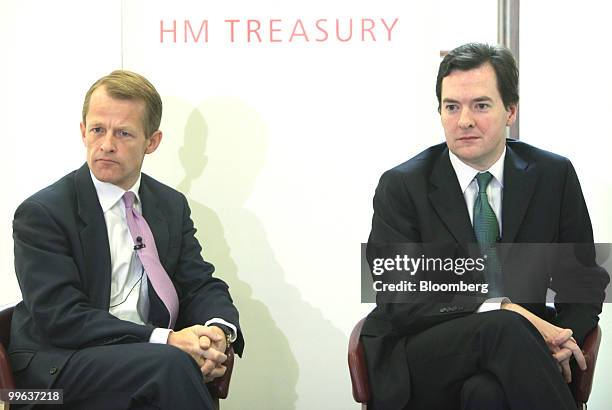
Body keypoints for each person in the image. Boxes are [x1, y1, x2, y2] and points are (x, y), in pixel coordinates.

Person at [361, 43, 608, 410]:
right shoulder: (402, 185)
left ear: (510, 110)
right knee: (505, 328)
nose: (464, 121)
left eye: (480, 105)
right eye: (451, 107)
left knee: (486, 394)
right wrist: (504, 308)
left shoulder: (553, 176)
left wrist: (562, 340)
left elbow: (583, 282)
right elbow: (399, 296)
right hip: (422, 355)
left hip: (518, 358)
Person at [9, 70, 244, 409]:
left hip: (140, 359)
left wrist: (217, 333)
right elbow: (61, 317)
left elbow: (199, 284)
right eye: (97, 130)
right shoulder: (43, 212)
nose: (106, 144)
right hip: (52, 374)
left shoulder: (169, 205)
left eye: (123, 133)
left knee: (190, 361)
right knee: (172, 365)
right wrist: (166, 340)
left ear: (152, 141)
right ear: (82, 131)